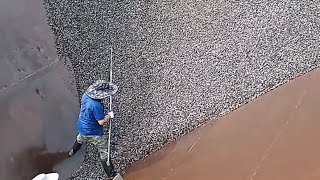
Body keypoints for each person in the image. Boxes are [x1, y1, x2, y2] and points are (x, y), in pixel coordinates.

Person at [68, 80, 118, 177]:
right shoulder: (96, 105)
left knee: (80, 138)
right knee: (104, 151)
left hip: (82, 126)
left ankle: (72, 152)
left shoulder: (85, 95)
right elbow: (101, 122)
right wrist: (109, 115)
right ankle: (111, 174)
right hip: (94, 132)